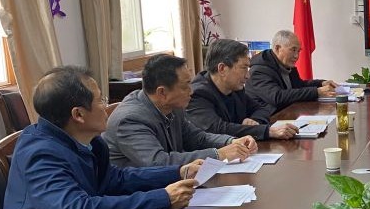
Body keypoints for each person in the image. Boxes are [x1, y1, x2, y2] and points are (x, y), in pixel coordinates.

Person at [3, 66, 202, 209]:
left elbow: (115, 179)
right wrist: (163, 199)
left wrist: (178, 172)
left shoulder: (91, 141)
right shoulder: (40, 154)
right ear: (78, 114)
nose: (106, 108)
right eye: (100, 100)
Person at [106, 54, 257, 167]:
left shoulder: (172, 106)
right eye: (185, 86)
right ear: (162, 92)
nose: (191, 91)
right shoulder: (130, 119)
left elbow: (197, 138)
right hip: (139, 193)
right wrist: (220, 154)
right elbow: (158, 162)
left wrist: (231, 141)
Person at [187, 39, 300, 140]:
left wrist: (254, 121)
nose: (247, 76)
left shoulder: (235, 88)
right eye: (243, 68)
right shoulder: (197, 94)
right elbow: (217, 129)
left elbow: (262, 109)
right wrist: (267, 131)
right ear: (222, 69)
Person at [247, 29, 337, 112]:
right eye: (293, 50)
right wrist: (317, 92)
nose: (296, 56)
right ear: (277, 48)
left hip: (288, 113)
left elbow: (299, 86)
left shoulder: (286, 64)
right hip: (268, 119)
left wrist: (321, 83)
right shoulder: (259, 71)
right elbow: (277, 97)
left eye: (298, 51)